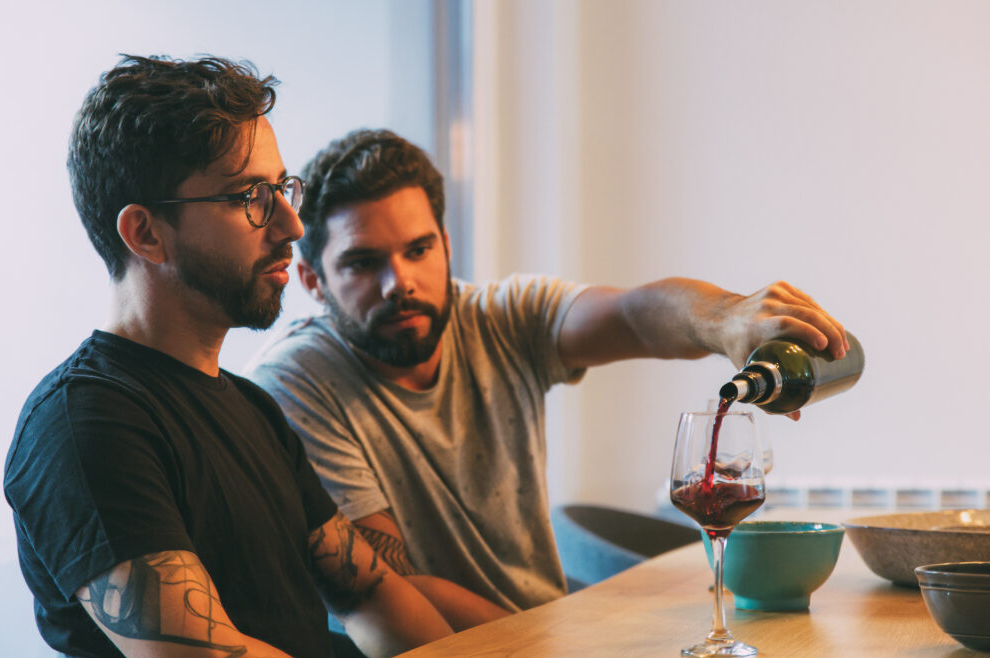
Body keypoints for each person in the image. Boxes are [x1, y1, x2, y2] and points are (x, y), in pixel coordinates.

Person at [244, 128, 850, 623]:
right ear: (312, 282)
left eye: (419, 249)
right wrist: (555, 650)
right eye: (362, 262)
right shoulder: (295, 386)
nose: (398, 281)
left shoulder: (500, 318)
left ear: (448, 245)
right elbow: (399, 590)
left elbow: (636, 317)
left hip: (545, 640)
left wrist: (724, 318)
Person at [3, 60, 453, 658]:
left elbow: (370, 594)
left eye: (281, 190)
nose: (292, 226)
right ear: (146, 234)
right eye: (250, 199)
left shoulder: (251, 406)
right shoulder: (83, 425)